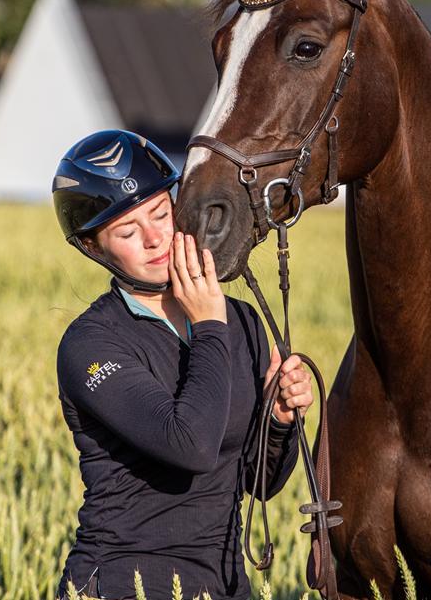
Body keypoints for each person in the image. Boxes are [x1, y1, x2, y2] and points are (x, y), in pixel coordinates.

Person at [52, 129, 315, 600]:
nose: (155, 238)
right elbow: (189, 446)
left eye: (161, 213)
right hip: (124, 581)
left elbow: (262, 482)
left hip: (226, 580)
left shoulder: (242, 321)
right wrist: (210, 325)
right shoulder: (90, 345)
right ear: (94, 248)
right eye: (128, 231)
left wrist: (278, 419)